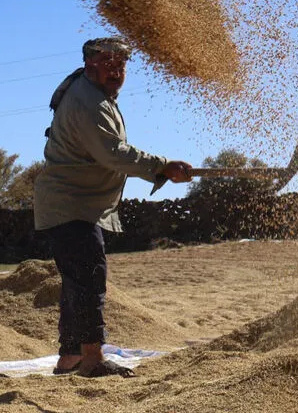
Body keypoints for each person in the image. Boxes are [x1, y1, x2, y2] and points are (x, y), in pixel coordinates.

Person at [34, 37, 192, 378]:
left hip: (73, 203)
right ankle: (92, 359)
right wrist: (162, 166)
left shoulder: (93, 94)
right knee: (90, 278)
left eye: (122, 65)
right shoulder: (88, 102)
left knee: (77, 280)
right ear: (90, 63)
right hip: (70, 203)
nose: (116, 71)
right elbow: (113, 153)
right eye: (109, 63)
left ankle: (70, 357)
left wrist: (161, 168)